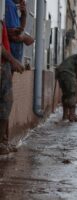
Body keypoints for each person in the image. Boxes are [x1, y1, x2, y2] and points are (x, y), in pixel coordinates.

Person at [0, 22, 25, 154]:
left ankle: (3, 141)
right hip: (3, 65)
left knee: (6, 105)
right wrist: (13, 60)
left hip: (5, 65)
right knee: (5, 104)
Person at [56, 51, 77, 122]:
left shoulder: (73, 57)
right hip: (68, 74)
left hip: (60, 73)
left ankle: (65, 116)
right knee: (72, 94)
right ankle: (72, 116)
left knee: (66, 95)